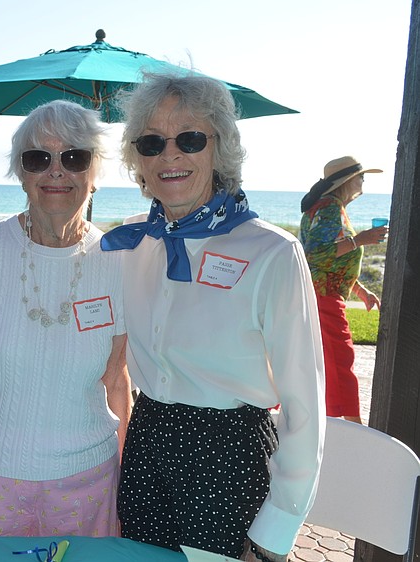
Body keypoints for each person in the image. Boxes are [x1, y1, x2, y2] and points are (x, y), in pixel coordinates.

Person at [99, 73, 325, 561]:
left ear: (219, 149)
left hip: (229, 457)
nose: (170, 155)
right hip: (147, 445)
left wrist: (276, 530)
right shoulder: (131, 240)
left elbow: (304, 404)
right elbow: (62, 272)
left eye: (190, 138)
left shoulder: (271, 251)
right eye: (152, 142)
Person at [0, 100, 131, 539]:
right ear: (21, 172)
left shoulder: (118, 261)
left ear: (95, 171)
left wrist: (127, 477)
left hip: (87, 480)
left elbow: (116, 379)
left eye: (74, 157)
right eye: (38, 158)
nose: (57, 171)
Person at [300, 156, 386, 424]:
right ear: (348, 181)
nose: (363, 182)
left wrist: (361, 292)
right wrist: (360, 239)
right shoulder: (329, 208)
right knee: (340, 361)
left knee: (322, 363)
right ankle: (353, 428)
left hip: (317, 294)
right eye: (361, 176)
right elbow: (315, 255)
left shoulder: (323, 207)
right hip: (323, 298)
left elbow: (332, 262)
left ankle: (333, 423)